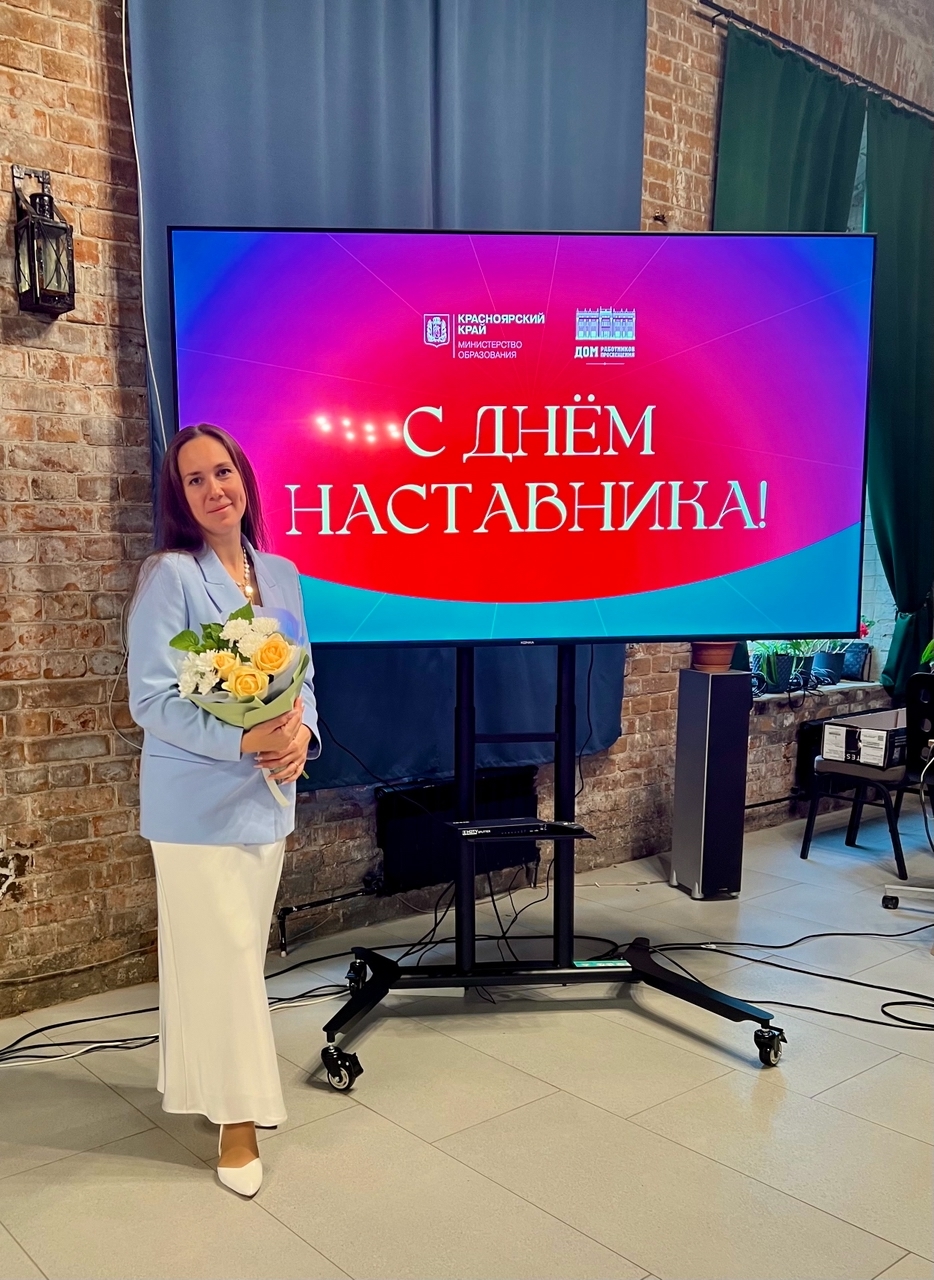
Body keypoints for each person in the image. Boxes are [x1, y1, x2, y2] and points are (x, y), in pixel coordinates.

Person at [127, 423, 319, 1197]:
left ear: (244, 478)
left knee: (228, 958)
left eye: (223, 472)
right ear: (180, 497)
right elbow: (151, 699)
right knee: (230, 957)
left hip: (268, 798)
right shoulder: (169, 575)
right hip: (194, 809)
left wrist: (300, 735)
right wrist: (240, 740)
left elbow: (305, 675)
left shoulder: (282, 573)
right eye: (195, 480)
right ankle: (239, 1121)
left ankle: (205, 1087)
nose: (215, 489)